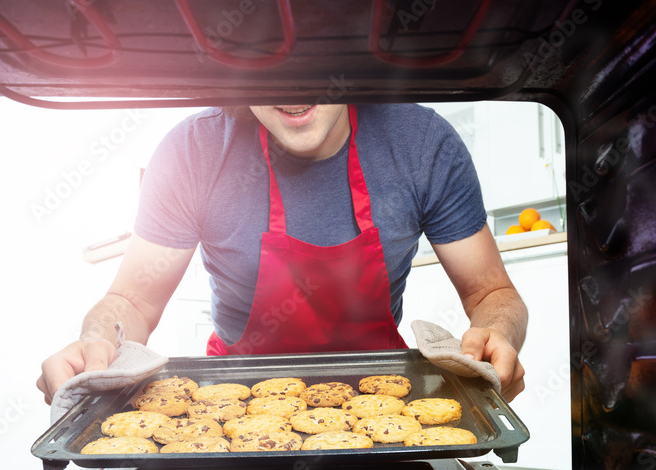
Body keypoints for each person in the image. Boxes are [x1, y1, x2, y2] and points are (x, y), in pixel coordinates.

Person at [36, 103, 527, 405]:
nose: (291, 84)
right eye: (264, 58)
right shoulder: (195, 151)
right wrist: (97, 342)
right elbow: (133, 303)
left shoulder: (421, 144)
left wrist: (498, 335)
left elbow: (491, 292)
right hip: (237, 419)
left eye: (314, 53)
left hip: (385, 414)